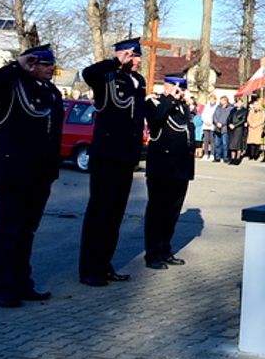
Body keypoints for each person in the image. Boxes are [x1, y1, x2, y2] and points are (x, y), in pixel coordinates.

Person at [0, 44, 64, 308]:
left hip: (40, 174)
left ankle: (22, 283)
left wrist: (52, 170)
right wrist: (17, 65)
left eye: (52, 64)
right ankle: (2, 288)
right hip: (12, 171)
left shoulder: (51, 91)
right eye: (44, 64)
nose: (51, 68)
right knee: (9, 230)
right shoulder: (12, 86)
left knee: (27, 231)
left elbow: (53, 134)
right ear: (32, 64)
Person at [78, 38, 147, 288]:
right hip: (106, 155)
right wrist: (115, 62)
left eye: (138, 56)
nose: (138, 60)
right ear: (124, 54)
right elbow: (88, 73)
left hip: (126, 156)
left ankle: (105, 264)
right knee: (100, 213)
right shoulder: (105, 77)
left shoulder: (139, 82)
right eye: (134, 55)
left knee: (115, 215)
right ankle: (89, 268)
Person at [143, 75, 194, 270]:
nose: (180, 93)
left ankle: (165, 250)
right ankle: (153, 254)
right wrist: (169, 99)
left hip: (180, 169)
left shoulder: (183, 107)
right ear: (167, 87)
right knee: (157, 212)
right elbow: (155, 120)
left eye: (182, 89)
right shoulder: (156, 103)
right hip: (162, 169)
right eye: (177, 88)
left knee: (172, 213)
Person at [211, 96, 231, 162]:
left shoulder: (230, 108)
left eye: (222, 100)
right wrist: (216, 123)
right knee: (217, 144)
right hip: (217, 128)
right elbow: (214, 116)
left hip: (224, 128)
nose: (221, 102)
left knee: (225, 144)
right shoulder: (218, 107)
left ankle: (225, 157)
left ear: (226, 101)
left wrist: (222, 123)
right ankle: (217, 157)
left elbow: (227, 117)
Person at [227, 97, 247, 164]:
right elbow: (229, 118)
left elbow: (243, 120)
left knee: (238, 145)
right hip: (231, 129)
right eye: (237, 102)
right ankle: (232, 158)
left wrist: (235, 125)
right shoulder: (233, 110)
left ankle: (237, 159)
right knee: (232, 145)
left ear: (242, 103)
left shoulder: (244, 110)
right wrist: (229, 124)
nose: (238, 104)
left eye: (240, 102)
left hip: (239, 129)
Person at [245, 95, 265, 161]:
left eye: (257, 104)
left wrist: (256, 124)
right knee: (251, 142)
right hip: (251, 128)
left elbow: (262, 119)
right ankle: (251, 155)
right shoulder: (251, 111)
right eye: (254, 104)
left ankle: (256, 155)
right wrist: (251, 124)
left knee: (257, 142)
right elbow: (248, 118)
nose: (255, 106)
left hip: (258, 128)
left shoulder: (262, 111)